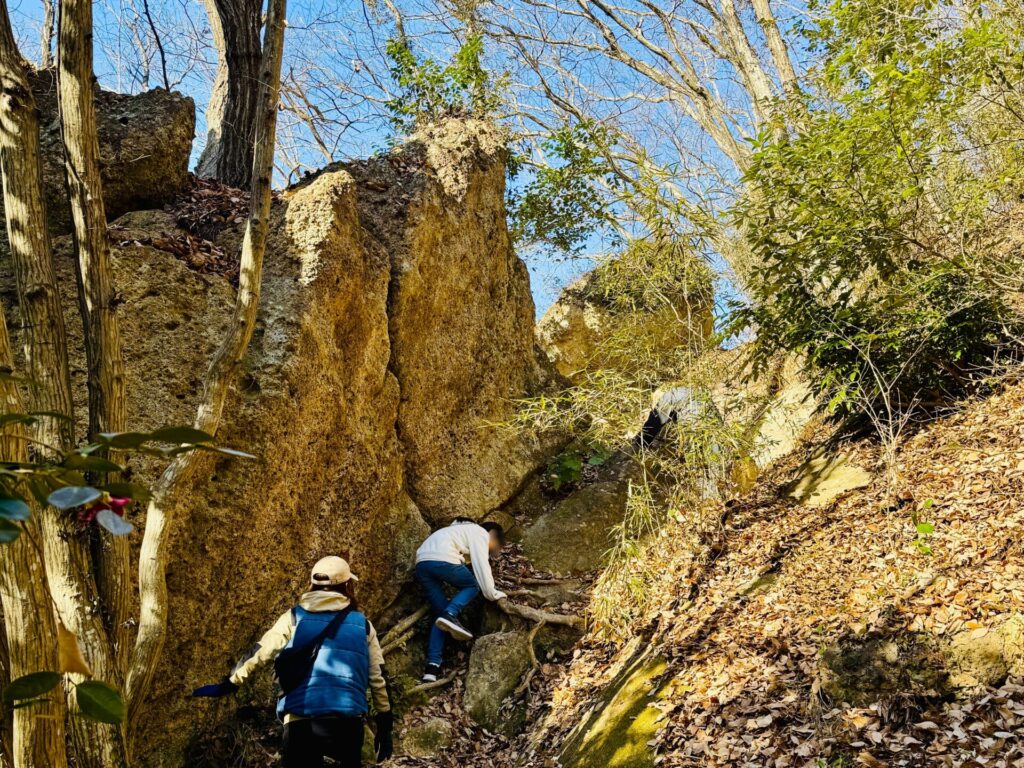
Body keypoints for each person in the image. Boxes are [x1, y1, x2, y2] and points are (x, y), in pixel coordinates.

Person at [191, 556, 393, 767]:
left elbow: (259, 653)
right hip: (347, 724)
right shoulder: (363, 625)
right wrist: (385, 725)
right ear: (347, 586)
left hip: (300, 721)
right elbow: (378, 677)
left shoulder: (292, 618)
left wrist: (229, 684)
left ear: (312, 584)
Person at [414, 519, 506, 682]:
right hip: (443, 557)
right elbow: (481, 566)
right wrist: (492, 593)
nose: (494, 550)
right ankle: (452, 612)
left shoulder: (454, 532)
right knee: (472, 585)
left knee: (440, 617)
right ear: (491, 534)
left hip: (421, 562)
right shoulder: (480, 532)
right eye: (496, 544)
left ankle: (431, 668)